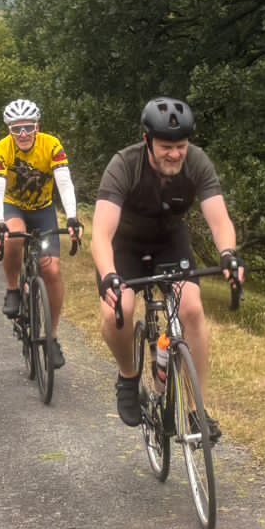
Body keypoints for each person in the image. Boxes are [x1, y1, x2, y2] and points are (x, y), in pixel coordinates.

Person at [92, 97, 245, 431]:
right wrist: (109, 276)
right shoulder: (124, 164)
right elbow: (101, 233)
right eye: (166, 146)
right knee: (118, 310)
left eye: (181, 145)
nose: (175, 154)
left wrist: (229, 254)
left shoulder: (197, 162)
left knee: (191, 309)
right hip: (125, 246)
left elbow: (220, 221)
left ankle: (195, 410)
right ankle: (129, 376)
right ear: (147, 141)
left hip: (169, 242)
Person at [0, 98, 81, 368]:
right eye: (17, 129)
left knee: (51, 270)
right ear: (9, 131)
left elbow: (64, 182)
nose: (23, 134)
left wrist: (73, 217)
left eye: (28, 127)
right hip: (13, 206)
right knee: (14, 236)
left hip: (43, 209)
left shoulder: (52, 145)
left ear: (37, 126)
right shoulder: (2, 149)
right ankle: (13, 289)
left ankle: (51, 338)